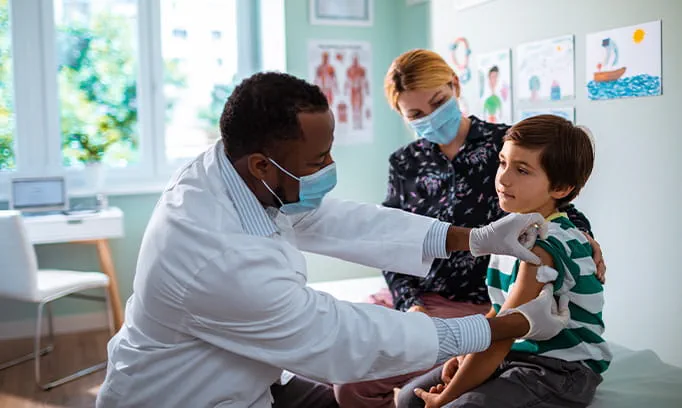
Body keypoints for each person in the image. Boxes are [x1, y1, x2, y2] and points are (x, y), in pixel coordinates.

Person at [95, 72, 571, 408]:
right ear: (263, 164)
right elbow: (340, 337)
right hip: (184, 395)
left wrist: (477, 238)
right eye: (318, 159)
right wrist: (504, 326)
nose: (329, 170)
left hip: (245, 375)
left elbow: (341, 222)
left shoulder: (231, 170)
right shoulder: (215, 257)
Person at [334, 49, 606, 408]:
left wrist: (586, 240)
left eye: (438, 102)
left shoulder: (504, 144)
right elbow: (392, 241)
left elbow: (557, 208)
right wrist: (411, 305)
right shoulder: (404, 163)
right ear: (402, 115)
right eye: (416, 113)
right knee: (351, 382)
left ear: (455, 85)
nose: (431, 117)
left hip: (483, 304)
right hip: (429, 301)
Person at [402, 115, 612, 408]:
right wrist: (463, 356)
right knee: (405, 398)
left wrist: (447, 397)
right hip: (517, 354)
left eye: (522, 170)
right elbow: (498, 313)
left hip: (558, 369)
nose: (503, 177)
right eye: (503, 162)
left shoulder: (542, 248)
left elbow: (502, 335)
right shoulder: (508, 234)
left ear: (561, 189)